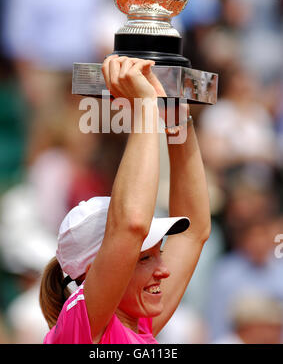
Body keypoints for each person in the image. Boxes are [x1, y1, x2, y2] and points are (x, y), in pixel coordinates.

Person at [39, 56, 211, 344]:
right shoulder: (75, 332)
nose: (164, 270)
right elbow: (130, 226)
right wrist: (144, 106)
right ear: (96, 273)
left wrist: (176, 120)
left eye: (158, 253)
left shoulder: (138, 323)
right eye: (143, 258)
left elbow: (193, 232)